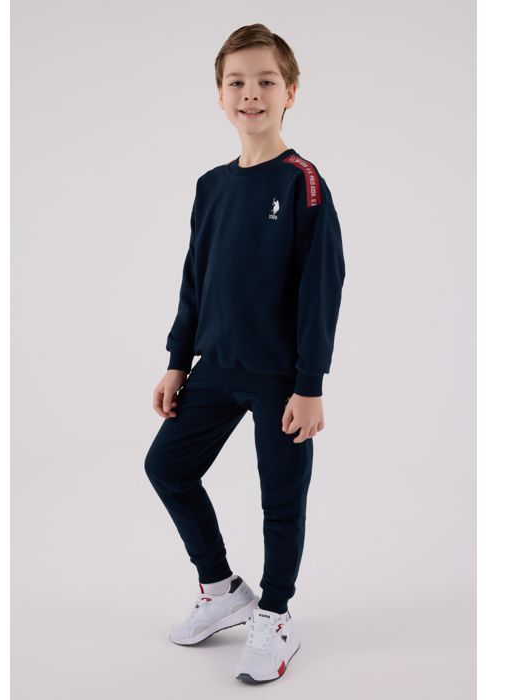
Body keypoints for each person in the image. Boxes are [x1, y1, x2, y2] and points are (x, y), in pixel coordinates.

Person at [144, 22, 346, 684]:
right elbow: (194, 280)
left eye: (265, 81)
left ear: (291, 92)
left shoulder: (303, 182)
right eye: (236, 82)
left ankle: (276, 616)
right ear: (220, 96)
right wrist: (178, 360)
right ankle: (221, 588)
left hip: (281, 378)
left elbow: (321, 287)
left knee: (279, 500)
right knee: (167, 467)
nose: (250, 93)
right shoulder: (211, 185)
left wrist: (310, 384)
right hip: (217, 367)